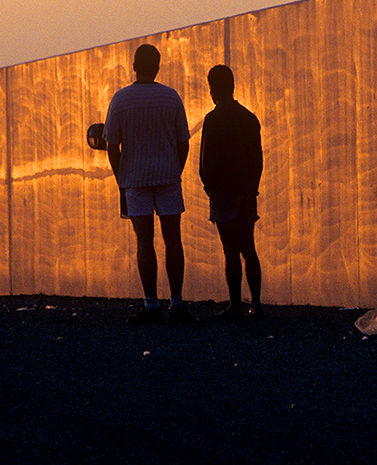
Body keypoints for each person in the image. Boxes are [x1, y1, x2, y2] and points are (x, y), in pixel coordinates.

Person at [103, 44, 194, 324]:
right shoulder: (171, 97)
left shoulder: (121, 99)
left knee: (144, 240)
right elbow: (183, 143)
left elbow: (112, 145)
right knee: (173, 240)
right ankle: (176, 303)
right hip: (167, 176)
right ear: (157, 66)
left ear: (134, 66)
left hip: (135, 178)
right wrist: (174, 168)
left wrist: (122, 178)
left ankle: (150, 304)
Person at [199, 64, 263, 320]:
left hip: (223, 192)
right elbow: (258, 159)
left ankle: (235, 305)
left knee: (230, 250)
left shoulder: (213, 119)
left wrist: (210, 187)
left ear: (212, 89)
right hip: (246, 191)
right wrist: (252, 186)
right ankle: (256, 304)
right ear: (233, 86)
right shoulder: (249, 118)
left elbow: (206, 162)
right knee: (249, 247)